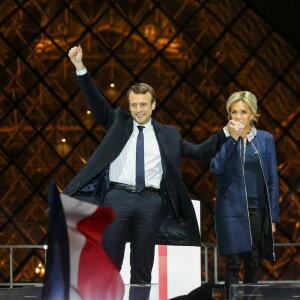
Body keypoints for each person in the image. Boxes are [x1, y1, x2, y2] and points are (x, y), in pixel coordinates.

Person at [63, 45, 232, 286]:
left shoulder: (169, 134)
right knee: (109, 266)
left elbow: (199, 151)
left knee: (142, 269)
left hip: (150, 203)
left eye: (143, 104)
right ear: (129, 106)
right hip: (117, 199)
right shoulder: (118, 123)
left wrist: (225, 133)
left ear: (153, 105)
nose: (138, 110)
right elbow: (96, 100)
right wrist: (80, 67)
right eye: (134, 105)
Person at [210, 91, 280, 300]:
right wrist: (232, 139)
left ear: (252, 114)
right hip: (231, 209)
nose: (238, 116)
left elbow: (273, 180)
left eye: (243, 112)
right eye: (233, 112)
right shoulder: (223, 138)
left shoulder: (266, 139)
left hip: (257, 209)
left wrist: (273, 217)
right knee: (232, 264)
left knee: (253, 262)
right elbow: (215, 167)